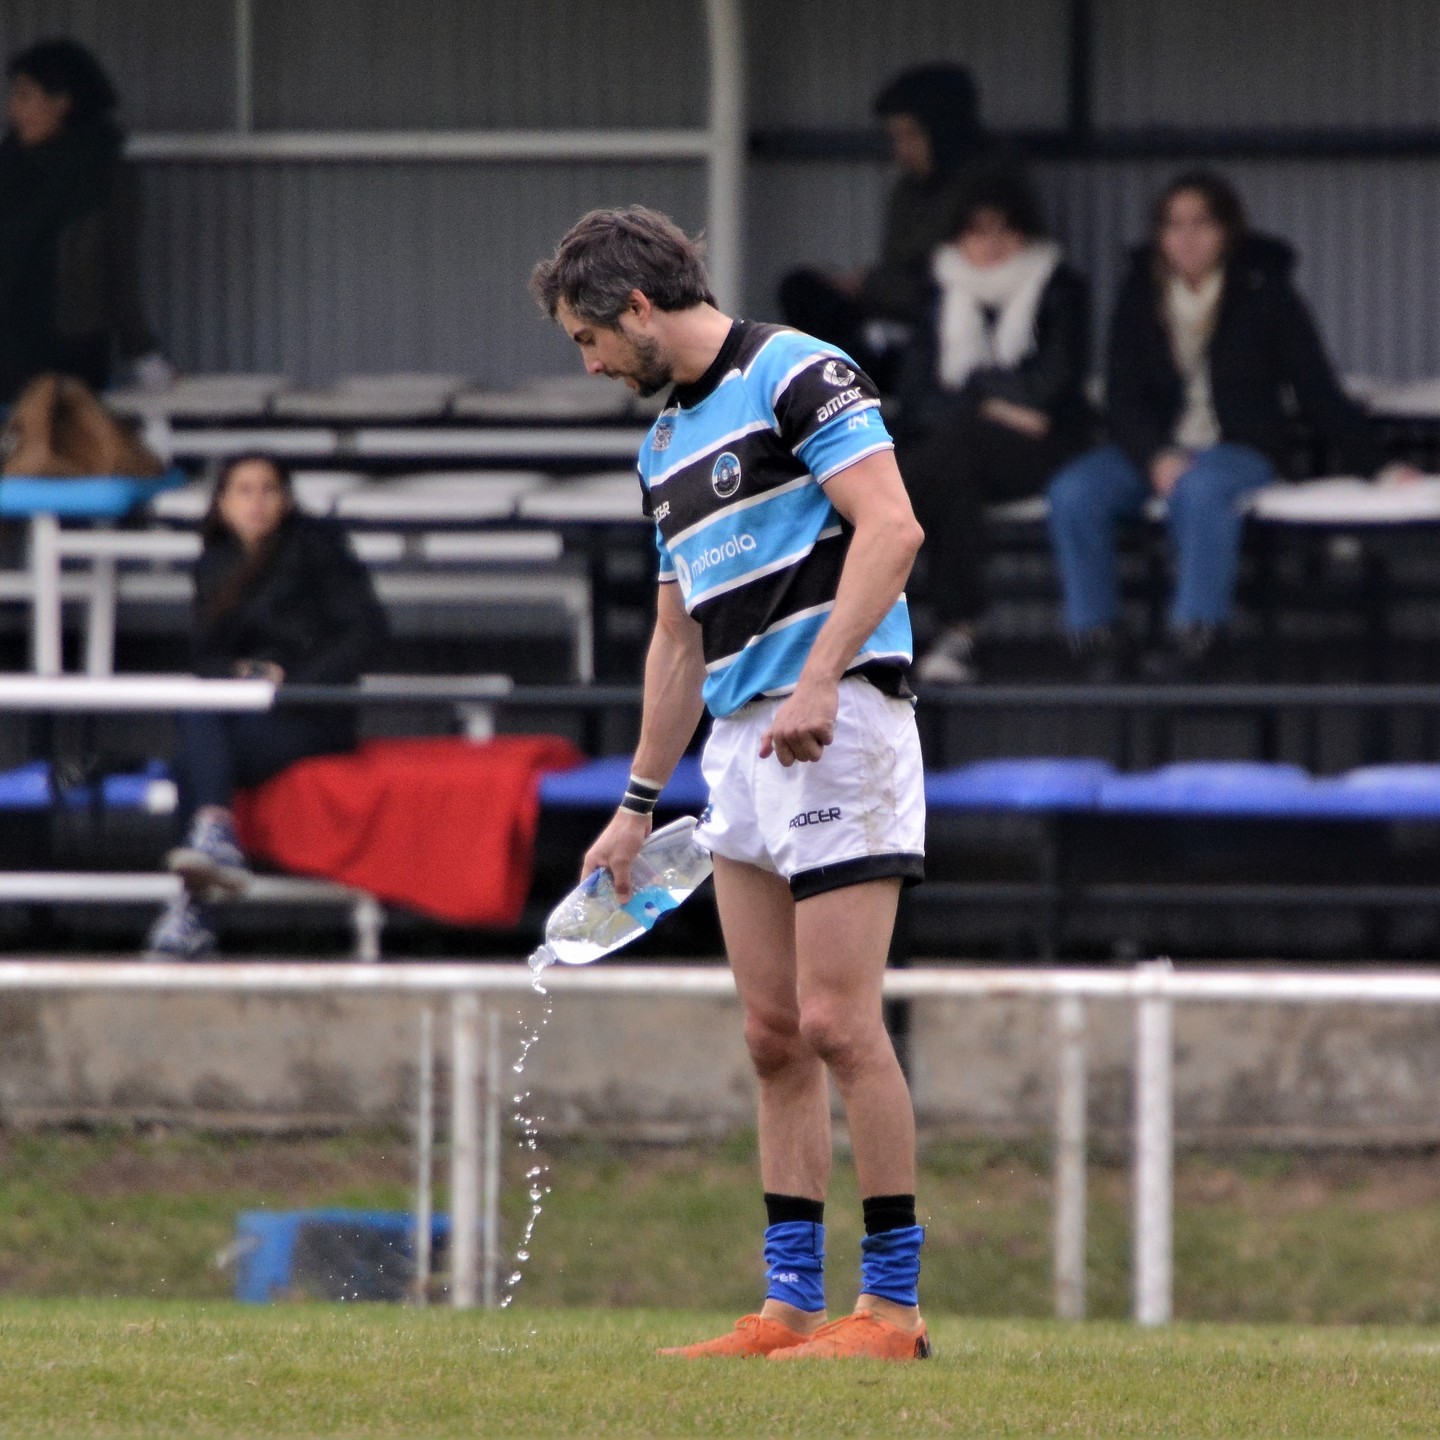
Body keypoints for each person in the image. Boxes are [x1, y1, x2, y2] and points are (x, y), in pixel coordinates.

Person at [532, 207, 930, 1361]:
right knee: (770, 1035)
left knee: (838, 1022)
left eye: (588, 338)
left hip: (838, 723)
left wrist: (819, 677)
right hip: (742, 751)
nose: (591, 361)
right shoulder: (661, 448)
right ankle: (789, 1306)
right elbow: (675, 642)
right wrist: (636, 802)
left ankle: (892, 1313)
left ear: (639, 308)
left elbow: (892, 529)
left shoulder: (798, 371)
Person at [1047, 170, 1393, 682]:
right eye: (1172, 225)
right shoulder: (1140, 293)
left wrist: (1378, 467)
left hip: (1238, 450)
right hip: (1155, 449)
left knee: (1202, 488)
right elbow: (1122, 395)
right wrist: (1154, 454)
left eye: (1201, 224)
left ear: (1228, 230)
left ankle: (1197, 634)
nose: (1185, 238)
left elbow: (1316, 387)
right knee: (1073, 492)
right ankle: (1098, 636)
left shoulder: (1265, 290)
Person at [145, 454, 388, 960]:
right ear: (222, 504)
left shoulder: (318, 549)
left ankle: (192, 908)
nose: (256, 502)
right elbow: (203, 657)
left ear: (287, 499)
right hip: (241, 713)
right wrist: (240, 674)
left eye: (268, 489)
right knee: (197, 718)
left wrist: (290, 681)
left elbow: (366, 633)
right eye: (242, 490)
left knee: (193, 759)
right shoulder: (214, 563)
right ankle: (210, 850)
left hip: (311, 714)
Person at [897, 171, 1090, 683]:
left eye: (1004, 230)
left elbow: (1053, 391)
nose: (991, 245)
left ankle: (851, 602)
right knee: (955, 474)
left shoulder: (1059, 287)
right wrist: (996, 403)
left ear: (1026, 234)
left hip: (1042, 452)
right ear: (957, 236)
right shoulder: (939, 288)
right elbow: (916, 394)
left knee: (938, 460)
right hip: (964, 450)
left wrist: (974, 395)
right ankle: (958, 637)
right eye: (977, 232)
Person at [778, 63, 998, 392]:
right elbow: (898, 269)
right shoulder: (910, 190)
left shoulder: (989, 188)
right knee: (802, 290)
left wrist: (871, 286)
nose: (900, 151)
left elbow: (959, 288)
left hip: (944, 336)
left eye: (910, 136)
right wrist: (861, 286)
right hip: (891, 319)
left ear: (943, 130)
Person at [0, 38, 169, 404]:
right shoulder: (9, 168)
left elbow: (118, 273)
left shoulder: (104, 175)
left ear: (62, 102)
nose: (13, 110)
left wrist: (143, 353)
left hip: (70, 360)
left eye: (26, 96)